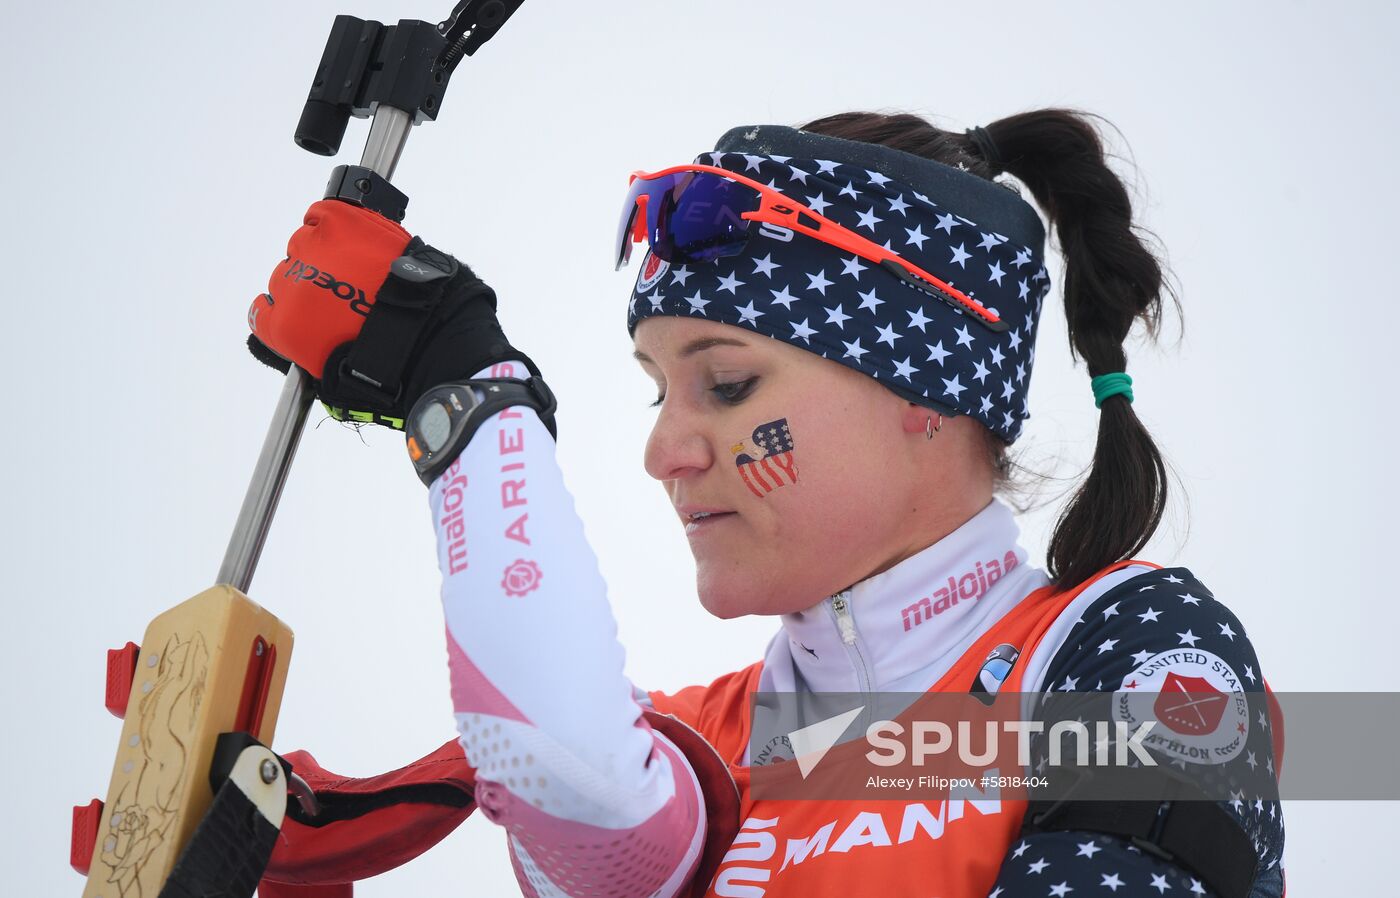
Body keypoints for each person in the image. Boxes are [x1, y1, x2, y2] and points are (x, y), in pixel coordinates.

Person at [247, 109, 1284, 897]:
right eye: (658, 388)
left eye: (727, 383)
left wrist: (474, 411)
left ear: (927, 392)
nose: (663, 449)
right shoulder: (722, 736)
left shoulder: (1134, 647)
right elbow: (574, 788)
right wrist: (472, 411)